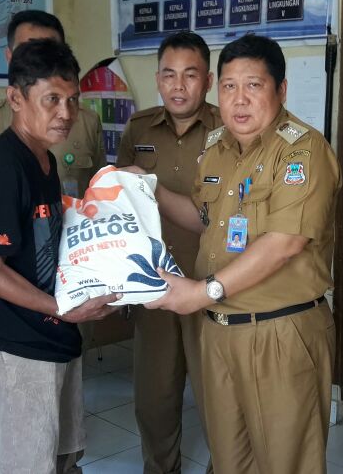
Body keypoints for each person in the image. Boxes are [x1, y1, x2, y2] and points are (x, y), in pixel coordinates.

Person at [127, 34, 341, 474]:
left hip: (278, 332)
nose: (239, 99)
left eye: (253, 86)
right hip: (220, 330)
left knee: (285, 463)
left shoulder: (303, 151)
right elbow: (205, 220)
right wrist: (150, 188)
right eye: (229, 86)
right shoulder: (217, 148)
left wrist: (202, 291)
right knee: (230, 462)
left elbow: (284, 243)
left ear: (281, 90)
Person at [0, 38, 119, 473]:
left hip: (53, 333)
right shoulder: (1, 169)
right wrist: (63, 309)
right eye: (52, 99)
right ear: (15, 98)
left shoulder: (44, 161)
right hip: (17, 342)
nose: (66, 113)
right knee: (28, 463)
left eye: (72, 100)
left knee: (61, 455)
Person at [115, 30, 221, 474]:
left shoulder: (228, 130)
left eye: (190, 75)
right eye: (169, 75)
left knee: (219, 397)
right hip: (154, 286)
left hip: (211, 285)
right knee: (155, 397)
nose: (179, 86)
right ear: (157, 79)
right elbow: (121, 203)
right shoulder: (139, 129)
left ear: (208, 81)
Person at [0, 9, 106, 195]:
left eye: (51, 51)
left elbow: (101, 195)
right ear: (9, 57)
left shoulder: (87, 123)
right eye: (27, 51)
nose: (40, 60)